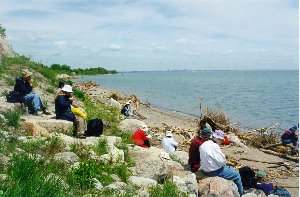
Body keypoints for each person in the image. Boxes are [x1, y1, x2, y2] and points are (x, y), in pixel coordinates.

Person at [199, 128, 244, 196]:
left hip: (205, 170)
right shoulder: (215, 146)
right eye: (221, 140)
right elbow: (222, 161)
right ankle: (241, 194)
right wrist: (225, 162)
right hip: (213, 172)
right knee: (236, 175)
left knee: (227, 168)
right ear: (218, 139)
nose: (222, 141)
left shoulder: (203, 145)